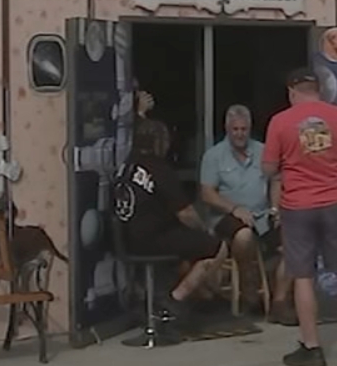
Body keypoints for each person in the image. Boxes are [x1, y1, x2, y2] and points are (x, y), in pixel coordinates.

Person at [262, 67, 337, 366]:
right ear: (318, 89)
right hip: (335, 202)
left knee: (303, 277)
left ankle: (312, 348)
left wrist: (292, 166)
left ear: (291, 91)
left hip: (297, 206)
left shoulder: (280, 122)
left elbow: (268, 168)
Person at [113, 118, 227, 319]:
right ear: (159, 143)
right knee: (216, 246)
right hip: (153, 240)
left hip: (125, 239)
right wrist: (203, 230)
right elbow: (186, 214)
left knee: (190, 252)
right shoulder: (160, 170)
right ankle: (174, 300)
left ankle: (206, 299)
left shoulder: (126, 167)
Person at [199, 104, 289, 320]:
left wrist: (276, 208)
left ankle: (280, 300)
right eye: (235, 130)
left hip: (262, 215)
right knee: (244, 237)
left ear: (249, 129)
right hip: (227, 217)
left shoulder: (263, 151)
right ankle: (250, 294)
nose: (240, 134)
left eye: (243, 129)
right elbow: (207, 194)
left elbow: (276, 180)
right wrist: (234, 208)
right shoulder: (214, 156)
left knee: (295, 238)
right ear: (227, 129)